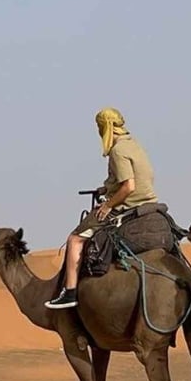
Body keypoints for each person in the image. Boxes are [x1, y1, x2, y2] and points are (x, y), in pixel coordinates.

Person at [46, 108, 158, 309]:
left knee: (75, 239)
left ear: (105, 127)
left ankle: (70, 291)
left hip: (129, 205)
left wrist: (107, 205)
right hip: (149, 201)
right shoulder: (134, 145)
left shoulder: (118, 150)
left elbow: (129, 186)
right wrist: (106, 188)